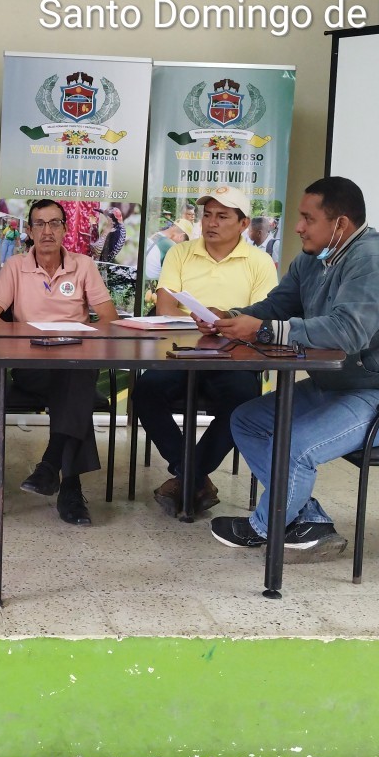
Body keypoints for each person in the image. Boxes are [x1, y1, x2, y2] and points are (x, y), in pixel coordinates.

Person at [205, 176, 379, 559]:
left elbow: (348, 333)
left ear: (340, 224)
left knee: (297, 446)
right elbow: (276, 307)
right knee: (247, 420)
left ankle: (265, 528)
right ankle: (309, 522)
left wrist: (263, 330)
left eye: (307, 218)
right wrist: (230, 318)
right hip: (340, 385)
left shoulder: (375, 260)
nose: (298, 227)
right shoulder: (313, 258)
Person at [132, 186, 277, 519]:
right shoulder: (180, 253)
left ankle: (187, 477)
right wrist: (200, 323)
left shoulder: (260, 262)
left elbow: (260, 318)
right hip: (181, 351)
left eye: (222, 216)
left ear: (243, 224)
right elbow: (165, 308)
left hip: (235, 355)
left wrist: (223, 322)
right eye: (207, 215)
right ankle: (194, 477)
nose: (211, 223)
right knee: (145, 392)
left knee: (243, 401)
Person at [0, 198, 119, 526]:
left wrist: (87, 338)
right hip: (32, 365)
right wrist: (19, 341)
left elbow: (109, 318)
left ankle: (51, 468)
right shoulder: (15, 266)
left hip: (74, 360)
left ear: (65, 229)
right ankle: (67, 485)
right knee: (77, 385)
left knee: (75, 373)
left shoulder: (84, 265)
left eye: (55, 223)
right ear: (29, 231)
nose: (47, 231)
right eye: (39, 224)